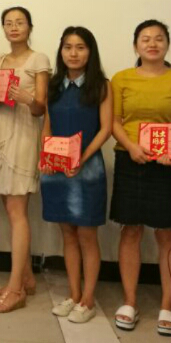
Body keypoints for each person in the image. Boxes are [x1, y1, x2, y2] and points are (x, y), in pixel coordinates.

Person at [110, 19, 171, 336]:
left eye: (159, 38)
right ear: (135, 45)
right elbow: (114, 121)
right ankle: (129, 302)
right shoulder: (121, 79)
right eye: (145, 38)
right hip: (130, 159)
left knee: (167, 234)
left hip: (166, 164)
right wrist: (132, 146)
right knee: (130, 230)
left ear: (167, 45)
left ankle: (167, 305)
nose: (152, 43)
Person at [41, 27, 112, 324]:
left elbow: (106, 128)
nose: (73, 53)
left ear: (90, 52)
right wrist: (45, 155)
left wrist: (82, 157)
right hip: (57, 168)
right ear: (61, 51)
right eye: (68, 47)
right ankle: (73, 294)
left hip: (88, 168)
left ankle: (88, 299)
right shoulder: (54, 85)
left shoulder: (102, 86)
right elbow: (47, 124)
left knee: (86, 234)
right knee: (67, 233)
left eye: (80, 47)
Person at [0, 6, 51, 313]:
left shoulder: (39, 60)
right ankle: (27, 278)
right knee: (9, 208)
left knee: (17, 209)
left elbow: (40, 107)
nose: (13, 27)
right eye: (8, 23)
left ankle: (15, 289)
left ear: (29, 27)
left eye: (19, 22)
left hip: (23, 133)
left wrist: (26, 98)